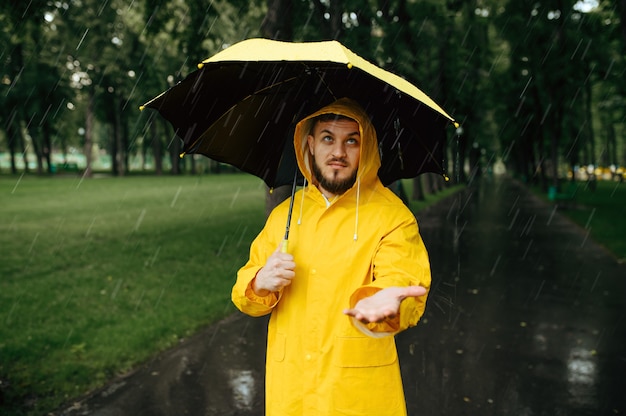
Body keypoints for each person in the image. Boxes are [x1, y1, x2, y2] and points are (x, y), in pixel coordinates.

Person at [231, 97, 431, 415]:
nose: (338, 152)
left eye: (351, 140)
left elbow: (402, 276)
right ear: (309, 144)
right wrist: (260, 281)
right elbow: (245, 293)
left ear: (365, 147)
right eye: (328, 138)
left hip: (357, 397)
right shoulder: (285, 215)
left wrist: (386, 300)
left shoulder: (393, 216)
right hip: (291, 392)